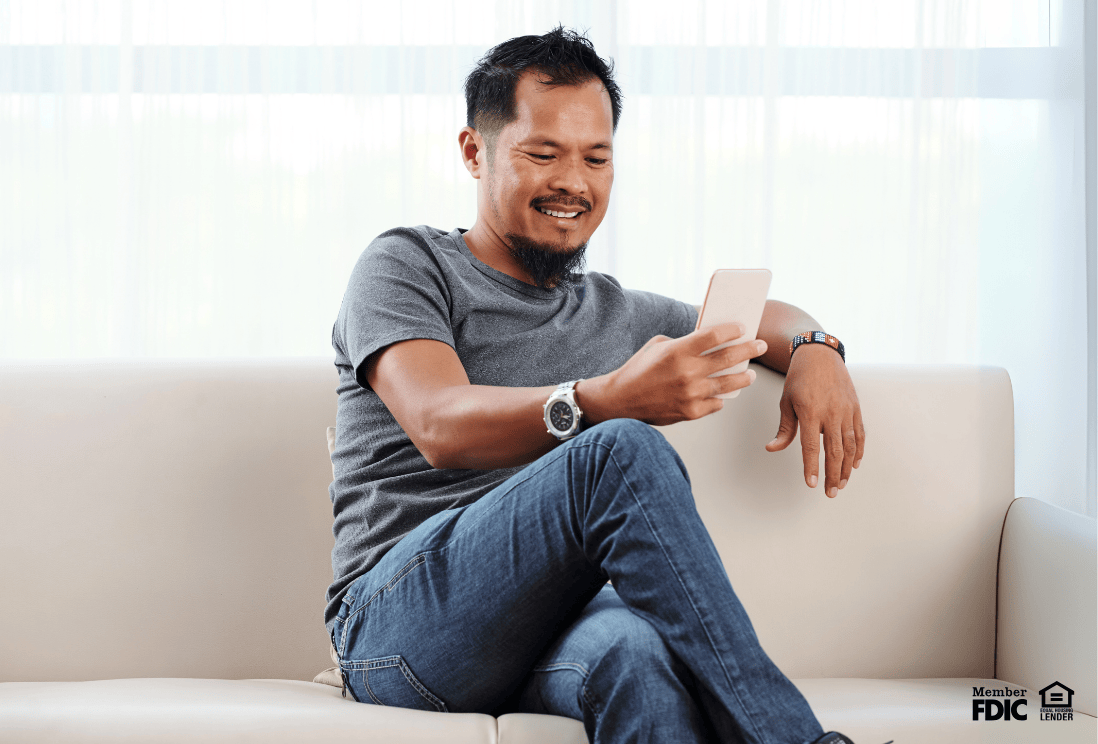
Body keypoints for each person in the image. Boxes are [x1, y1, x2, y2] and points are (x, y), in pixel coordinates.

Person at [326, 26, 867, 744]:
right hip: (397, 628)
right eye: (542, 154)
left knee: (636, 656)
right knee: (617, 451)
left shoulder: (617, 314)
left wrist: (817, 349)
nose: (573, 182)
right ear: (473, 151)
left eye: (596, 158)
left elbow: (768, 321)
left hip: (541, 626)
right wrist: (604, 400)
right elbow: (440, 424)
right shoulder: (407, 264)